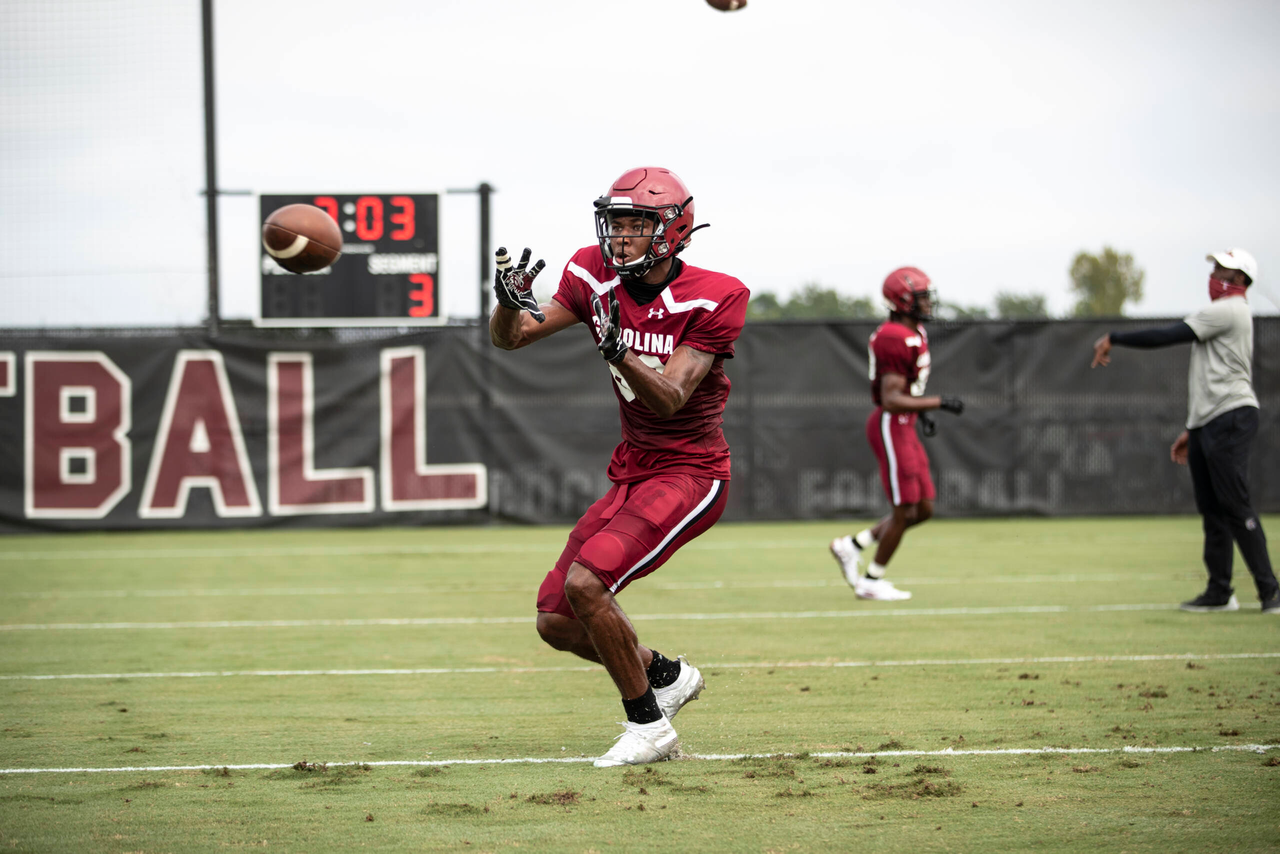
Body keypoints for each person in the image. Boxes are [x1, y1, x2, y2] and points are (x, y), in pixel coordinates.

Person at [489, 166, 749, 766]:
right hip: (632, 469)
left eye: (637, 224)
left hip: (691, 472)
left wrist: (620, 353)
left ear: (673, 230)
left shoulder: (718, 294)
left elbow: (671, 395)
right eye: (617, 222)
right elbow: (513, 337)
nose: (621, 236)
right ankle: (666, 675)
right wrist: (507, 306)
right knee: (555, 619)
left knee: (587, 585)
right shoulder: (591, 271)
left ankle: (650, 727)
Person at [1091, 248, 1277, 614]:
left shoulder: (1229, 310)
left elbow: (1169, 334)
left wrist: (1114, 336)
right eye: (1215, 270)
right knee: (1212, 508)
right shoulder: (1224, 313)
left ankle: (1271, 592)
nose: (1215, 277)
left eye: (1223, 271)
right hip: (1210, 420)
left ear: (1241, 280)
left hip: (1232, 415)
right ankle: (1219, 591)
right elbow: (1210, 378)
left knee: (1235, 504)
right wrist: (1193, 428)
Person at [829, 267, 964, 600]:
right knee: (904, 509)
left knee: (924, 508)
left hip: (905, 424)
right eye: (921, 299)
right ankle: (871, 581)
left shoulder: (912, 330)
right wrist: (939, 403)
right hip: (891, 425)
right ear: (903, 301)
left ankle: (852, 545)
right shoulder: (894, 335)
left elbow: (904, 391)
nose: (928, 305)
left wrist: (920, 412)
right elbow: (890, 399)